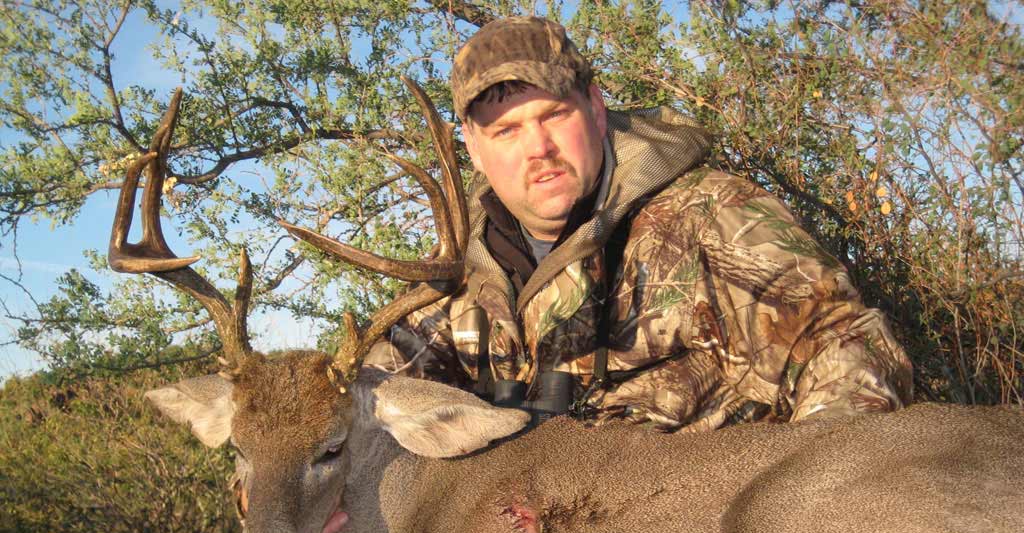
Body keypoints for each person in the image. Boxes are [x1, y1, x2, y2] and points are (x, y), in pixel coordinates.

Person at [367, 15, 912, 429]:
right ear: (473, 147)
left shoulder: (712, 219)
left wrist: (804, 508)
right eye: (506, 131)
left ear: (595, 107)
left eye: (554, 114)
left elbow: (844, 350)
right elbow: (366, 405)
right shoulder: (450, 284)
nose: (539, 148)